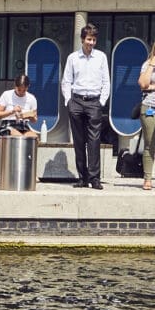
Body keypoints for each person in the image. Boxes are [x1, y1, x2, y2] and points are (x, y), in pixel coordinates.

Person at [61, 23, 110, 190]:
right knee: (79, 141)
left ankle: (95, 178)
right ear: (82, 39)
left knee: (94, 141)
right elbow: (66, 81)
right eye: (89, 39)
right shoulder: (73, 58)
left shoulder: (101, 57)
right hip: (76, 101)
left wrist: (101, 101)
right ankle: (82, 177)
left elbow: (106, 82)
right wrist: (68, 101)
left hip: (94, 102)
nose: (91, 43)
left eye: (94, 40)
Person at [0, 73, 38, 139]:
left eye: (24, 90)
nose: (21, 92)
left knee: (34, 138)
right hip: (8, 124)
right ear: (15, 86)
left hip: (23, 125)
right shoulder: (7, 94)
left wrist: (28, 116)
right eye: (19, 90)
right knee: (19, 137)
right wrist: (12, 111)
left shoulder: (31, 98)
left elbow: (35, 120)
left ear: (28, 87)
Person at [136, 40, 155, 191]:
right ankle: (147, 179)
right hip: (150, 107)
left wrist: (152, 86)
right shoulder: (147, 64)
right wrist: (152, 64)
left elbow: (148, 86)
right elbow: (142, 84)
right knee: (150, 143)